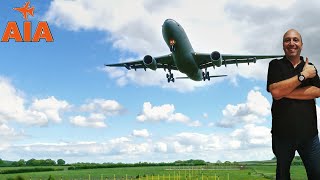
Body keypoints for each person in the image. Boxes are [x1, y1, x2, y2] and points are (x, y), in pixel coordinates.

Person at [267, 29, 320, 179]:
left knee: (317, 174)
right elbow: (275, 92)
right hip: (282, 135)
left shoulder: (311, 66)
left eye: (295, 40)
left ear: (301, 44)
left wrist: (284, 91)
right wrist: (303, 76)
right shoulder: (275, 65)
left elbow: (317, 92)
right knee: (282, 176)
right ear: (283, 45)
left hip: (310, 136)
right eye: (287, 40)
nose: (291, 43)